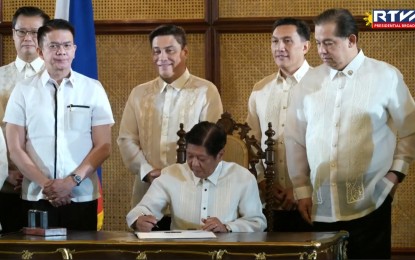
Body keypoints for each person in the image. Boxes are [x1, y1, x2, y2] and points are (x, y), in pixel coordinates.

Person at [285, 8, 415, 259]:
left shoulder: (385, 76)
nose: (321, 50)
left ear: (351, 40)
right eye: (319, 43)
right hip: (320, 206)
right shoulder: (308, 83)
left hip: (371, 202)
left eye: (329, 43)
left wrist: (395, 174)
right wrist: (301, 189)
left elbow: (411, 129)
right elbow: (294, 139)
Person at [3, 19, 114, 231]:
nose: (61, 51)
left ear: (74, 50)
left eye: (66, 45)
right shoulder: (23, 90)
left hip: (80, 196)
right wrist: (47, 185)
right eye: (53, 46)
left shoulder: (93, 89)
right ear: (41, 51)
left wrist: (70, 183)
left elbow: (104, 146)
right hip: (36, 195)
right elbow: (15, 147)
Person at [118, 24, 223, 209]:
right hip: (148, 192)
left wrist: (179, 174)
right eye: (156, 51)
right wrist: (148, 171)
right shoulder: (139, 93)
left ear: (185, 52)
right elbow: (127, 139)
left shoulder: (206, 91)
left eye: (169, 51)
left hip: (192, 191)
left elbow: (212, 142)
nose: (162, 58)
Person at [126, 121, 266, 232]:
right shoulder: (171, 174)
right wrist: (139, 220)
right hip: (181, 254)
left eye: (201, 159)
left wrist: (227, 227)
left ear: (220, 155)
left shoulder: (242, 178)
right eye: (190, 156)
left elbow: (256, 222)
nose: (194, 164)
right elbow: (143, 209)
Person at [246, 18, 313, 232]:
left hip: (313, 203)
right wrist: (262, 180)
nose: (279, 48)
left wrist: (302, 190)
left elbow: (331, 148)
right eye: (275, 41)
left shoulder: (323, 85)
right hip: (270, 203)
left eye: (287, 41)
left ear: (306, 46)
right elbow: (252, 143)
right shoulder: (260, 89)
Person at [0, 6, 50, 234]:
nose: (28, 38)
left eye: (35, 32)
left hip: (52, 189)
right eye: (21, 32)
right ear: (12, 34)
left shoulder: (61, 77)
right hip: (7, 186)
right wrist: (6, 173)